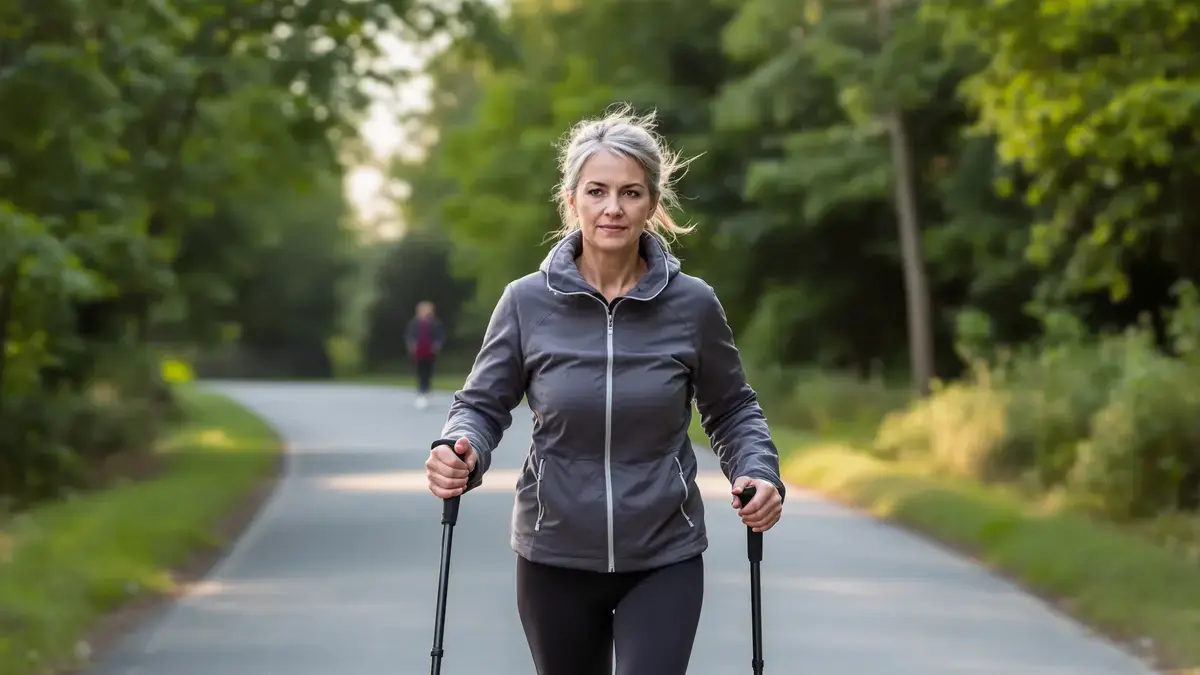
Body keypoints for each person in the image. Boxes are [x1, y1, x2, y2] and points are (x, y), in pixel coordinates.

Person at [424, 104, 786, 675]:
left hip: (664, 553)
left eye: (630, 192)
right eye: (597, 191)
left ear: (652, 203)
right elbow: (481, 405)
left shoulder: (692, 304)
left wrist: (759, 472)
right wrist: (459, 449)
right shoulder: (526, 302)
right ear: (572, 202)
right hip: (553, 555)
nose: (613, 207)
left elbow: (733, 408)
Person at [405, 300, 444, 409]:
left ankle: (426, 389)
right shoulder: (414, 323)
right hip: (418, 351)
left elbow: (440, 335)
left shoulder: (435, 323)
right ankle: (421, 390)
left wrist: (437, 345)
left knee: (429, 370)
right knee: (419, 370)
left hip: (430, 351)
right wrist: (411, 344)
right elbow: (409, 335)